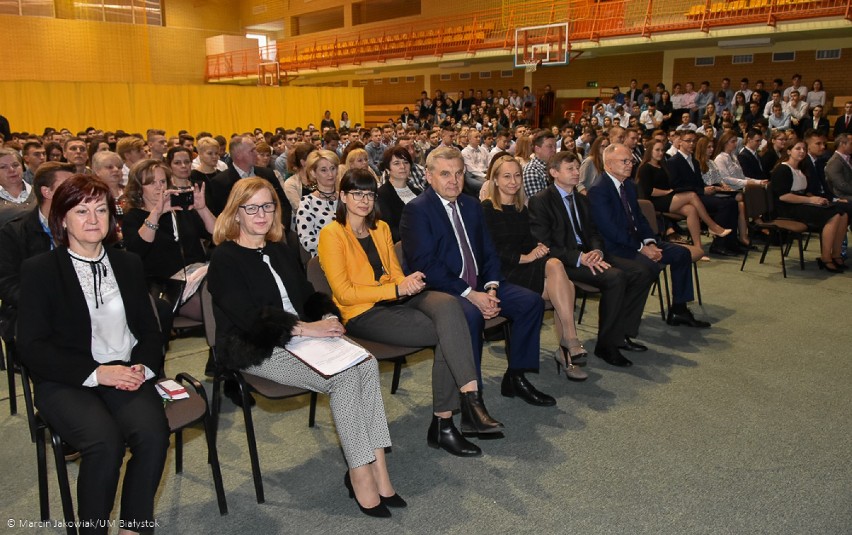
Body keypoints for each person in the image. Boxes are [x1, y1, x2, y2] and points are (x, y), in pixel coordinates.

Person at [207, 177, 403, 517]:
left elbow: (306, 295)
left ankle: (379, 470)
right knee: (343, 379)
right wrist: (306, 329)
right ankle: (359, 472)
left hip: (303, 338)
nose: (261, 214)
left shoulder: (280, 249)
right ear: (236, 213)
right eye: (251, 207)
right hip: (257, 347)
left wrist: (327, 317)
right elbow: (250, 319)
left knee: (366, 362)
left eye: (268, 206)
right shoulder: (224, 258)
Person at [17, 174, 169, 535]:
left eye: (101, 209)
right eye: (81, 210)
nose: (92, 219)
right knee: (104, 441)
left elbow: (150, 331)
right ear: (62, 219)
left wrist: (142, 368)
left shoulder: (128, 263)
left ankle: (134, 527)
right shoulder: (40, 270)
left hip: (126, 372)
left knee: (152, 432)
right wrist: (98, 373)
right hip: (67, 379)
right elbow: (31, 347)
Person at [318, 169, 502, 457]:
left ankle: (468, 399)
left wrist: (407, 281)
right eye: (357, 193)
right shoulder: (332, 234)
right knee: (451, 330)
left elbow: (393, 273)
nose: (364, 200)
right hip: (363, 313)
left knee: (449, 305)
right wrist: (395, 290)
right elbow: (344, 293)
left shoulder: (380, 228)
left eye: (370, 194)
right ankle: (449, 420)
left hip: (397, 299)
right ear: (343, 196)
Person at [400, 147, 554, 406]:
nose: (454, 180)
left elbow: (488, 251)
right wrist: (472, 295)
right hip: (443, 291)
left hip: (481, 284)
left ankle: (516, 377)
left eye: (459, 173)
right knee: (469, 315)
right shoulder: (417, 210)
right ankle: (473, 396)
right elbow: (427, 265)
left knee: (531, 303)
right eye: (445, 174)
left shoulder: (471, 205)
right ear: (428, 175)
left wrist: (492, 287)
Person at [529, 151, 655, 367]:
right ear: (554, 172)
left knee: (643, 271)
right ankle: (606, 346)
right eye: (570, 168)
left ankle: (621, 332)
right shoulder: (541, 201)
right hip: (563, 263)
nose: (577, 172)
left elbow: (594, 233)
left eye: (577, 168)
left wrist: (597, 252)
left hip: (590, 255)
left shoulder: (581, 199)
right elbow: (545, 245)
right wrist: (580, 257)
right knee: (616, 277)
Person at [482, 154, 588, 381]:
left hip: (524, 269)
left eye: (517, 175)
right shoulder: (487, 208)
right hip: (503, 274)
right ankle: (568, 346)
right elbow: (490, 252)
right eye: (507, 176)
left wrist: (537, 248)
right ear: (496, 180)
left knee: (562, 280)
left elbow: (527, 242)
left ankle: (567, 345)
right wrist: (526, 257)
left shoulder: (521, 207)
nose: (513, 181)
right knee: (565, 287)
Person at [589, 144, 711, 328]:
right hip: (616, 248)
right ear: (609, 164)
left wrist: (651, 242)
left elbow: (640, 219)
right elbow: (610, 230)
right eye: (625, 161)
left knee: (681, 254)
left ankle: (679, 310)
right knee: (648, 267)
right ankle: (624, 326)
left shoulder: (629, 185)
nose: (630, 165)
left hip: (638, 243)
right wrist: (641, 249)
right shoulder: (599, 189)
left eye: (631, 160)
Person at [122, 159, 215, 320]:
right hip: (167, 287)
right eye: (151, 183)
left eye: (163, 181)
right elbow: (137, 250)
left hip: (200, 277)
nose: (159, 187)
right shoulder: (134, 217)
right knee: (215, 310)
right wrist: (156, 214)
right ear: (138, 188)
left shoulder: (180, 209)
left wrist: (202, 209)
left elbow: (218, 234)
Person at [0, 162, 75, 342]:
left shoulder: (85, 225)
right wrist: (43, 303)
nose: (76, 191)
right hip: (32, 311)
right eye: (68, 187)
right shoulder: (15, 232)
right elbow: (7, 284)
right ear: (46, 192)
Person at [637, 139, 731, 249]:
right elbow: (649, 191)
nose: (661, 153)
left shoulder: (663, 166)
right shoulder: (645, 168)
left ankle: (698, 248)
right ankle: (713, 226)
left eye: (662, 150)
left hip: (667, 198)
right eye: (657, 150)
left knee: (691, 210)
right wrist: (668, 192)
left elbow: (669, 185)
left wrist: (670, 191)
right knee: (692, 195)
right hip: (654, 202)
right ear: (649, 151)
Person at [770, 140, 848, 272]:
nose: (802, 152)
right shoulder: (782, 169)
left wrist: (817, 199)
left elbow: (804, 192)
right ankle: (825, 258)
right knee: (833, 215)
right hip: (787, 209)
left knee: (843, 213)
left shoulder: (800, 169)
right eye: (797, 148)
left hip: (800, 203)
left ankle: (836, 254)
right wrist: (811, 200)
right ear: (789, 151)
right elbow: (784, 196)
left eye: (804, 149)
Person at [666, 130, 740, 256]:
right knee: (725, 205)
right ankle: (718, 244)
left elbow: (699, 183)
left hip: (699, 194)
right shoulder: (673, 161)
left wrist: (709, 188)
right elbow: (676, 186)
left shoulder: (694, 161)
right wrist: (702, 190)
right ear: (680, 143)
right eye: (688, 141)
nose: (691, 144)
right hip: (688, 197)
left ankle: (731, 243)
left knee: (732, 202)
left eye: (693, 141)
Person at [206, 135, 290, 228]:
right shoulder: (220, 182)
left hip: (273, 230)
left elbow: (282, 203)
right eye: (252, 150)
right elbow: (224, 216)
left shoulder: (268, 174)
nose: (256, 153)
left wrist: (280, 224)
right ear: (239, 155)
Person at [295, 149, 340, 257]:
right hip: (325, 258)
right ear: (313, 173)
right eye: (323, 170)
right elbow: (307, 241)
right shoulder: (307, 203)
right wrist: (338, 245)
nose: (330, 174)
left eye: (333, 168)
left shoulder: (346, 198)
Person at [376, 145, 423, 242]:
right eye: (396, 163)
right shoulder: (382, 195)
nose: (403, 167)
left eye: (406, 162)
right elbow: (389, 229)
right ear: (388, 169)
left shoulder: (417, 191)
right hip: (403, 246)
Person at [825, 133, 852, 202]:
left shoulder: (848, 159)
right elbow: (841, 185)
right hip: (843, 197)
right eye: (851, 144)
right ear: (842, 144)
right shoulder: (834, 162)